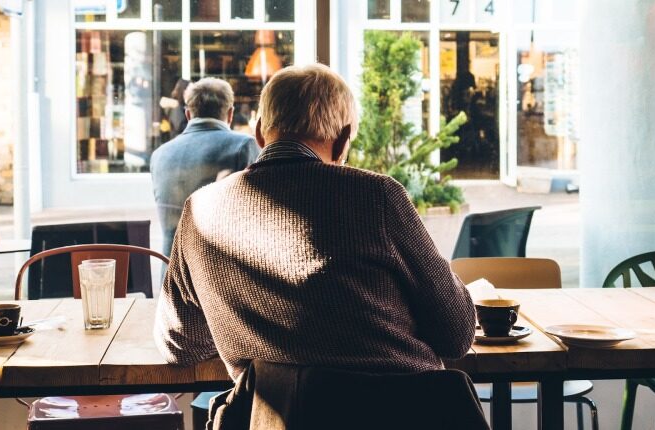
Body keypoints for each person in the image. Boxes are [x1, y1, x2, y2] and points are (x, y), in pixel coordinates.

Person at [154, 64, 475, 381]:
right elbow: (456, 333)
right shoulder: (377, 196)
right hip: (403, 412)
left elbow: (179, 345)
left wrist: (245, 323)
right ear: (343, 139)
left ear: (260, 132)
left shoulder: (200, 210)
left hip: (275, 418)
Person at [150, 77, 259, 257]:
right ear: (230, 114)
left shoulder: (159, 154)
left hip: (170, 274)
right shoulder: (243, 146)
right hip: (218, 274)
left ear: (188, 114)